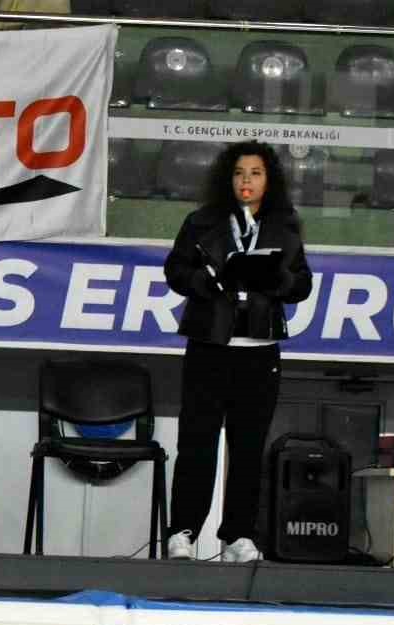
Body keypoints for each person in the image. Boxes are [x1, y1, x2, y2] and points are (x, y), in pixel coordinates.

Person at [162, 140, 313, 563]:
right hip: (210, 344)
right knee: (197, 442)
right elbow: (175, 269)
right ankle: (183, 533)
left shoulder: (285, 225)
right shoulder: (201, 222)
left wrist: (276, 277)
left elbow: (302, 283)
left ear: (270, 181)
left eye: (256, 173)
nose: (246, 181)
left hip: (259, 349)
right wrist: (205, 283)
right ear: (228, 179)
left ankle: (238, 536)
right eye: (239, 174)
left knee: (249, 446)